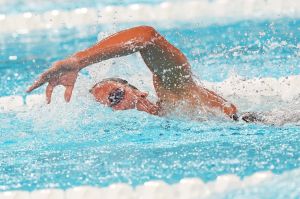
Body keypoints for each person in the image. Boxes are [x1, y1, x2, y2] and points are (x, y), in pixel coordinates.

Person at [27, 26, 240, 120]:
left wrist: (79, 60)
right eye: (109, 109)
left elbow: (146, 37)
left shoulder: (176, 98)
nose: (117, 108)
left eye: (116, 97)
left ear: (141, 93)